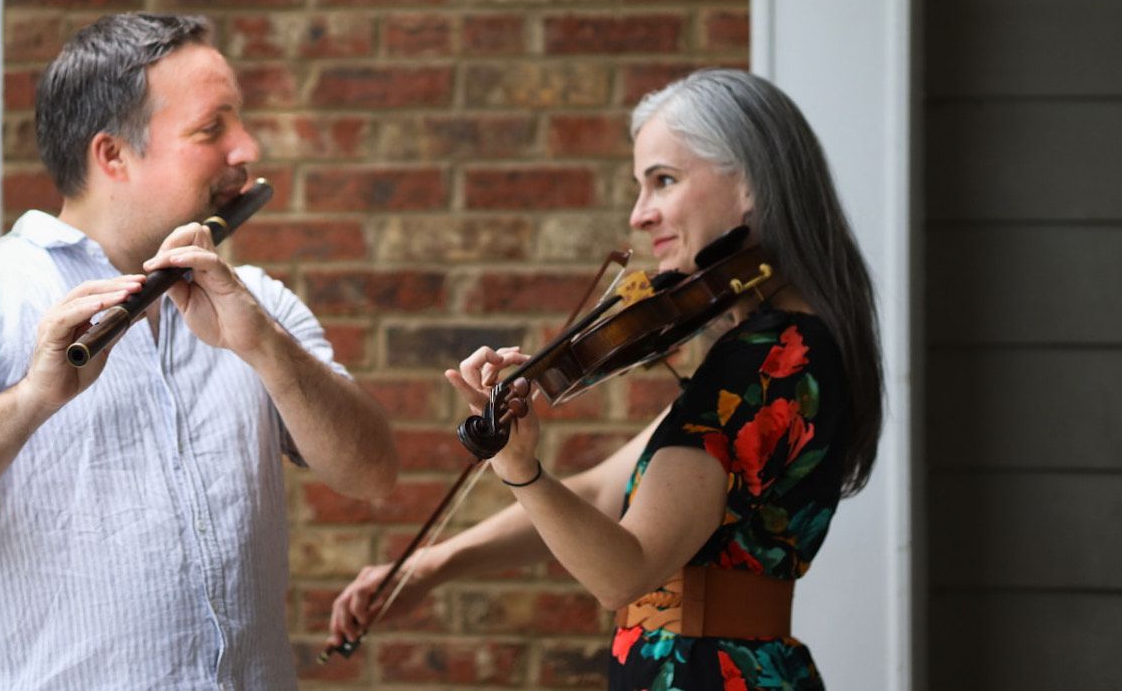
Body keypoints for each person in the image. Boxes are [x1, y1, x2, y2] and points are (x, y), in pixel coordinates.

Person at [0, 12, 398, 690]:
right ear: (113, 156)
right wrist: (31, 401)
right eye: (212, 128)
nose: (245, 148)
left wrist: (264, 348)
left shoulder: (254, 299)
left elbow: (372, 473)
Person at [328, 68, 883, 690]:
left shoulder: (765, 358)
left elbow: (626, 571)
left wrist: (520, 468)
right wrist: (431, 565)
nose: (640, 215)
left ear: (751, 182)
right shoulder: (785, 350)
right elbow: (600, 491)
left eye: (663, 181)